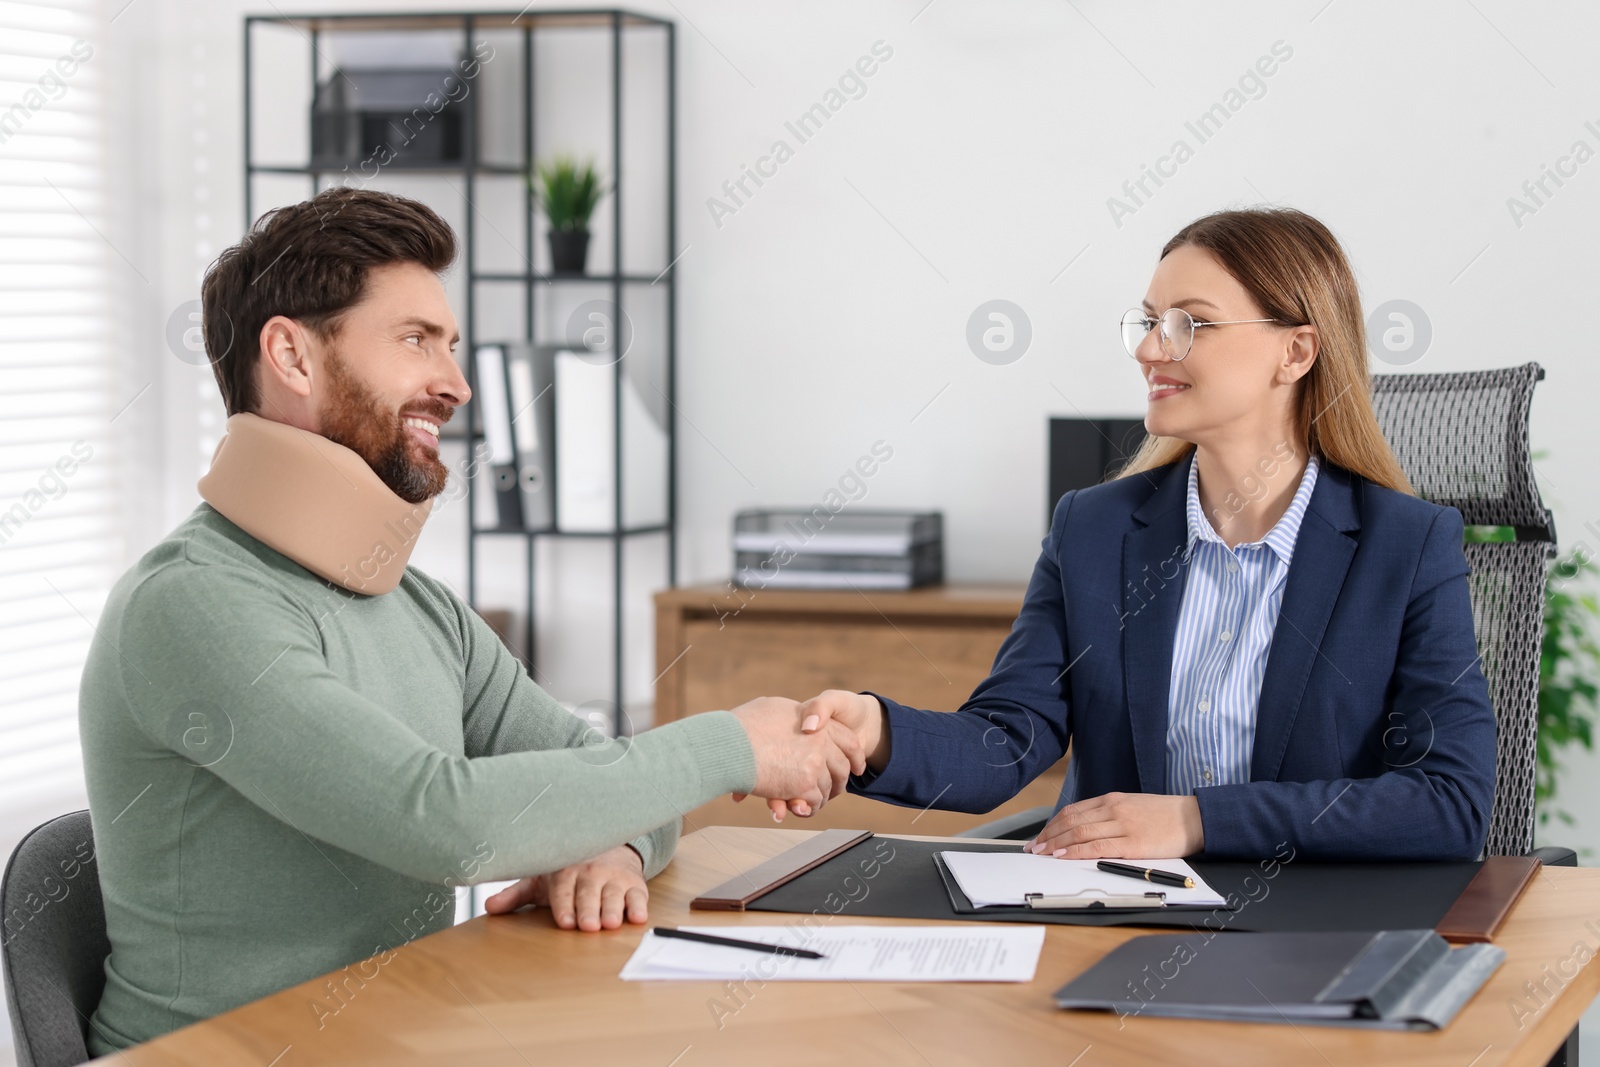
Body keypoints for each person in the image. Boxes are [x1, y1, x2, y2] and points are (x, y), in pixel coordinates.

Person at [77, 187, 860, 1054]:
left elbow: (606, 774)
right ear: (292, 357)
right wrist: (734, 743)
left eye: (449, 346)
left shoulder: (418, 607)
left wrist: (616, 849)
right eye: (416, 340)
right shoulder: (190, 606)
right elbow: (439, 821)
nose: (455, 383)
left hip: (396, 1035)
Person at [786, 207, 1496, 863]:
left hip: (1305, 936)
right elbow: (1006, 738)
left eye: (1190, 323)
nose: (1151, 348)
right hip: (1112, 917)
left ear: (1297, 351)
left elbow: (1449, 801)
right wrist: (876, 730)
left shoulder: (1406, 546)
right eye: (1150, 320)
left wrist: (1196, 820)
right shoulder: (1092, 529)